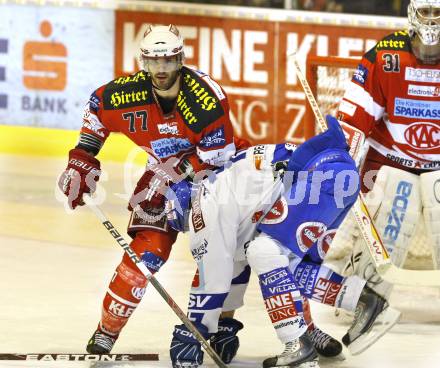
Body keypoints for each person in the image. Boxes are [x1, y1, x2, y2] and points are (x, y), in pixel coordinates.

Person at [57, 23, 246, 355]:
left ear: (180, 59)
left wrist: (179, 175)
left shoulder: (204, 97)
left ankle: (220, 326)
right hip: (164, 171)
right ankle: (106, 331)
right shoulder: (125, 94)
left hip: (218, 172)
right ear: (143, 62)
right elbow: (96, 111)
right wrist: (83, 156)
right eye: (154, 62)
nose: (161, 70)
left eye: (169, 61)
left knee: (225, 254)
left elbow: (220, 153)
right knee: (145, 255)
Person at [165, 116, 401, 368]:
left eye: (188, 224)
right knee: (287, 266)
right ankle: (357, 303)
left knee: (263, 251)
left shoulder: (205, 202)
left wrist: (194, 330)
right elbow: (233, 269)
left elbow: (212, 276)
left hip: (320, 176)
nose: (193, 229)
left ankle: (298, 344)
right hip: (336, 174)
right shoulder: (227, 192)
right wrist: (223, 325)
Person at [335, 0, 440, 304]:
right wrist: (345, 166)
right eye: (426, 12)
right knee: (395, 205)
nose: (432, 21)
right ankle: (364, 296)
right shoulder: (386, 55)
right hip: (392, 163)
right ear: (412, 13)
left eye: (438, 13)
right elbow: (353, 122)